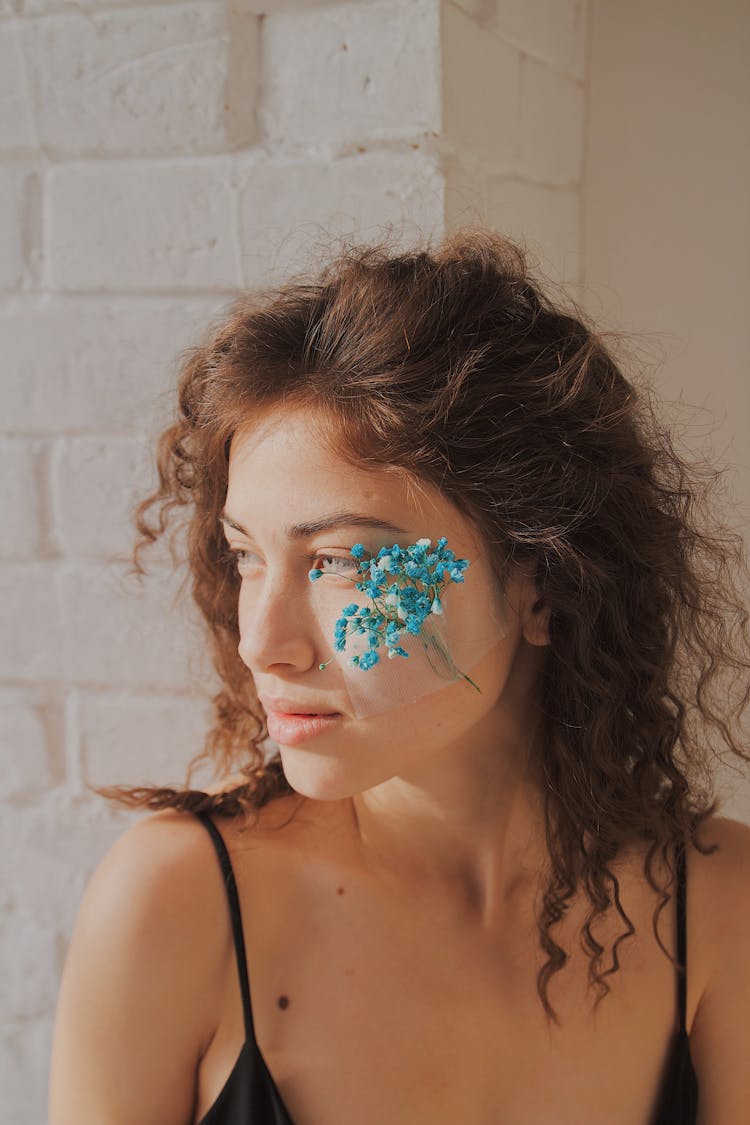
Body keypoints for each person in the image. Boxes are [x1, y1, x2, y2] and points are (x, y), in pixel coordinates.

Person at [48, 230, 750, 1124]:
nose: (264, 642)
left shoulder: (721, 913)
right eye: (247, 555)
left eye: (341, 560)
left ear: (542, 582)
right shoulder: (176, 908)